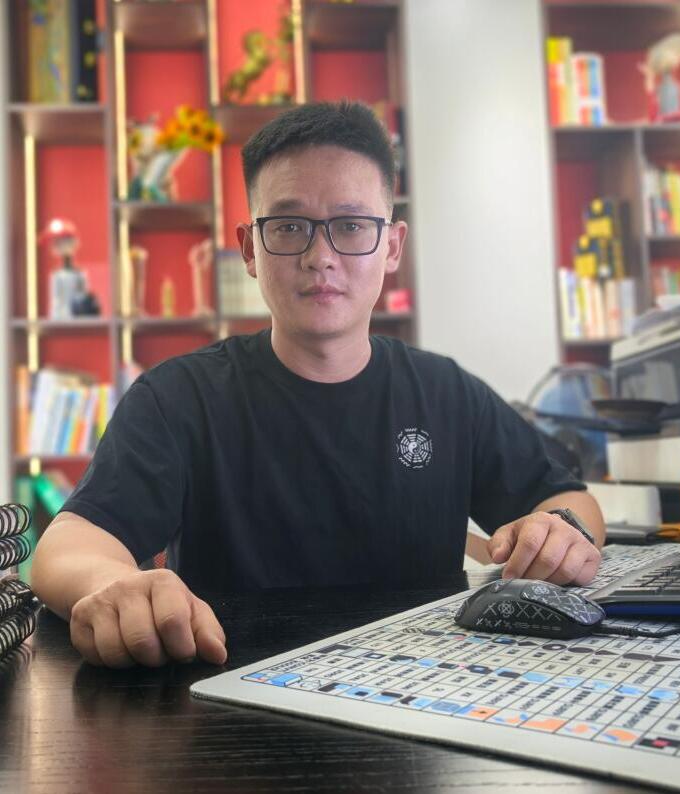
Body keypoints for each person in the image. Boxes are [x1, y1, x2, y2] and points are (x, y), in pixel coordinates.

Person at [32, 101, 605, 670]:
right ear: (250, 249)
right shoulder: (179, 398)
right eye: (289, 227)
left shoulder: (447, 394)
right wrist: (113, 582)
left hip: (422, 697)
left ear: (392, 246)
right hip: (226, 694)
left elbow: (568, 500)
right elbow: (67, 545)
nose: (320, 257)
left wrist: (559, 535)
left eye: (351, 226)